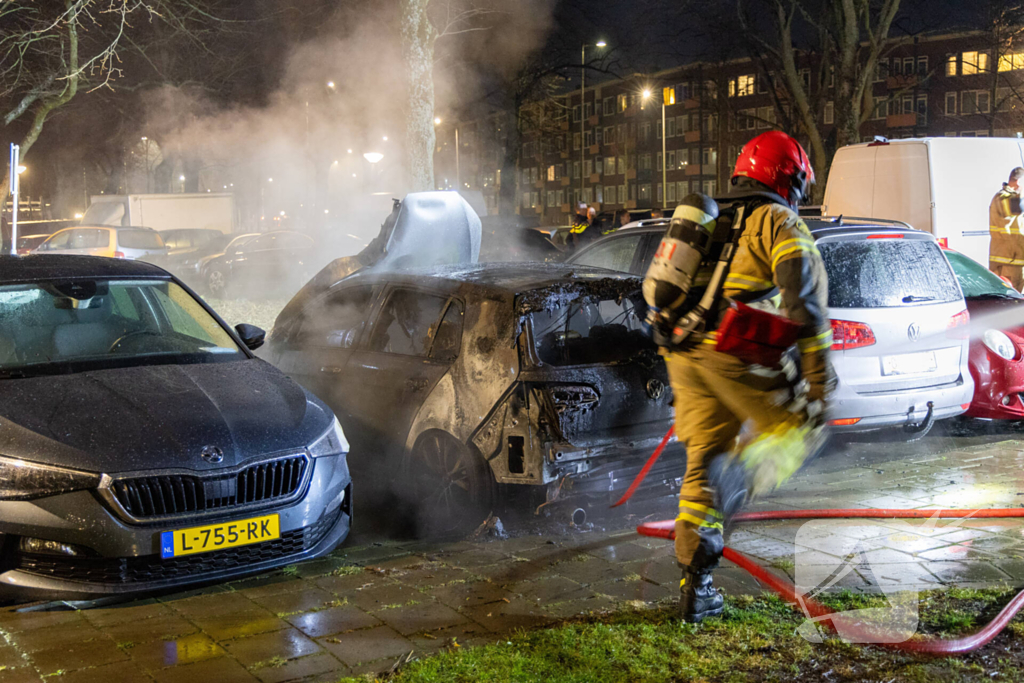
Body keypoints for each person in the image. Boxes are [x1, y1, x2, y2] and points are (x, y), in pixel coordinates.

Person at [642, 130, 832, 623]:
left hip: (684, 355)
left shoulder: (712, 218)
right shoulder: (778, 221)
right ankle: (739, 477)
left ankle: (697, 588)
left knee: (704, 460)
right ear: (788, 180)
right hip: (736, 351)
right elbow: (805, 305)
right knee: (803, 428)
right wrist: (818, 382)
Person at [989, 167, 1024, 290]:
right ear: (1018, 182)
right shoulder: (1003, 198)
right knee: (1010, 297)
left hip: (1013, 262)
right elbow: (1017, 206)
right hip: (1008, 264)